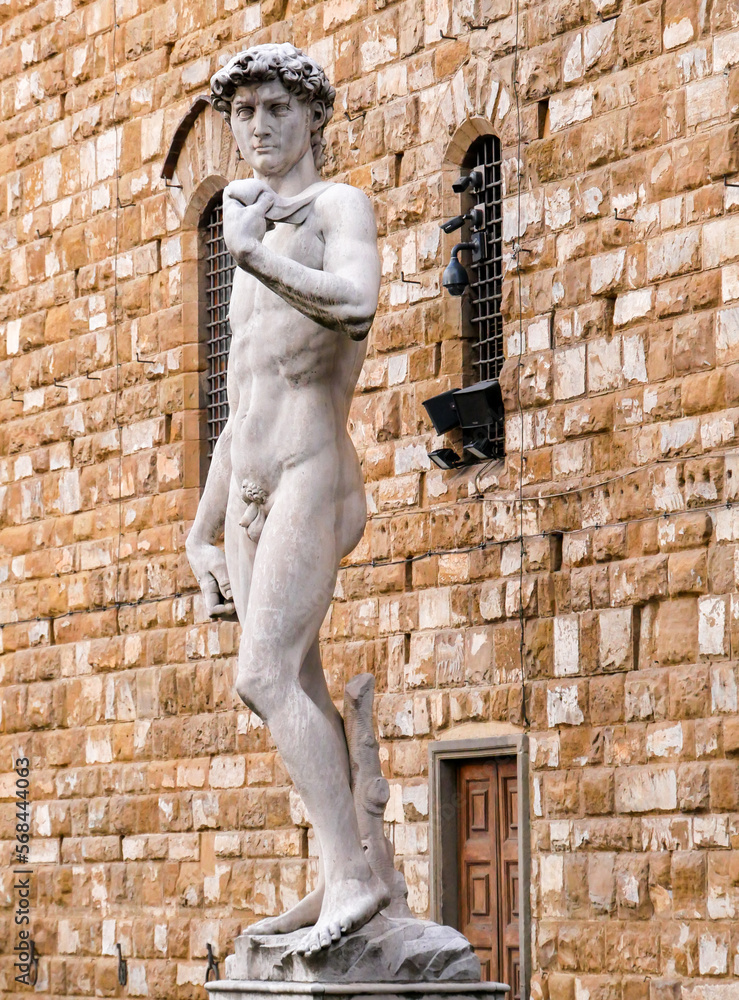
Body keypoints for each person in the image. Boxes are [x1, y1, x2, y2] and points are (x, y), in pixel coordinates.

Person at [185, 43, 388, 955]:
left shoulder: (337, 207)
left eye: (275, 109)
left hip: (312, 466)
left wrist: (254, 256)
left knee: (261, 674)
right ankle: (346, 872)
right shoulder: (244, 214)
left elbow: (353, 306)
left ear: (312, 116)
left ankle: (353, 876)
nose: (258, 128)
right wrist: (200, 524)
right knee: (294, 681)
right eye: (243, 114)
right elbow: (241, 387)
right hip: (250, 484)